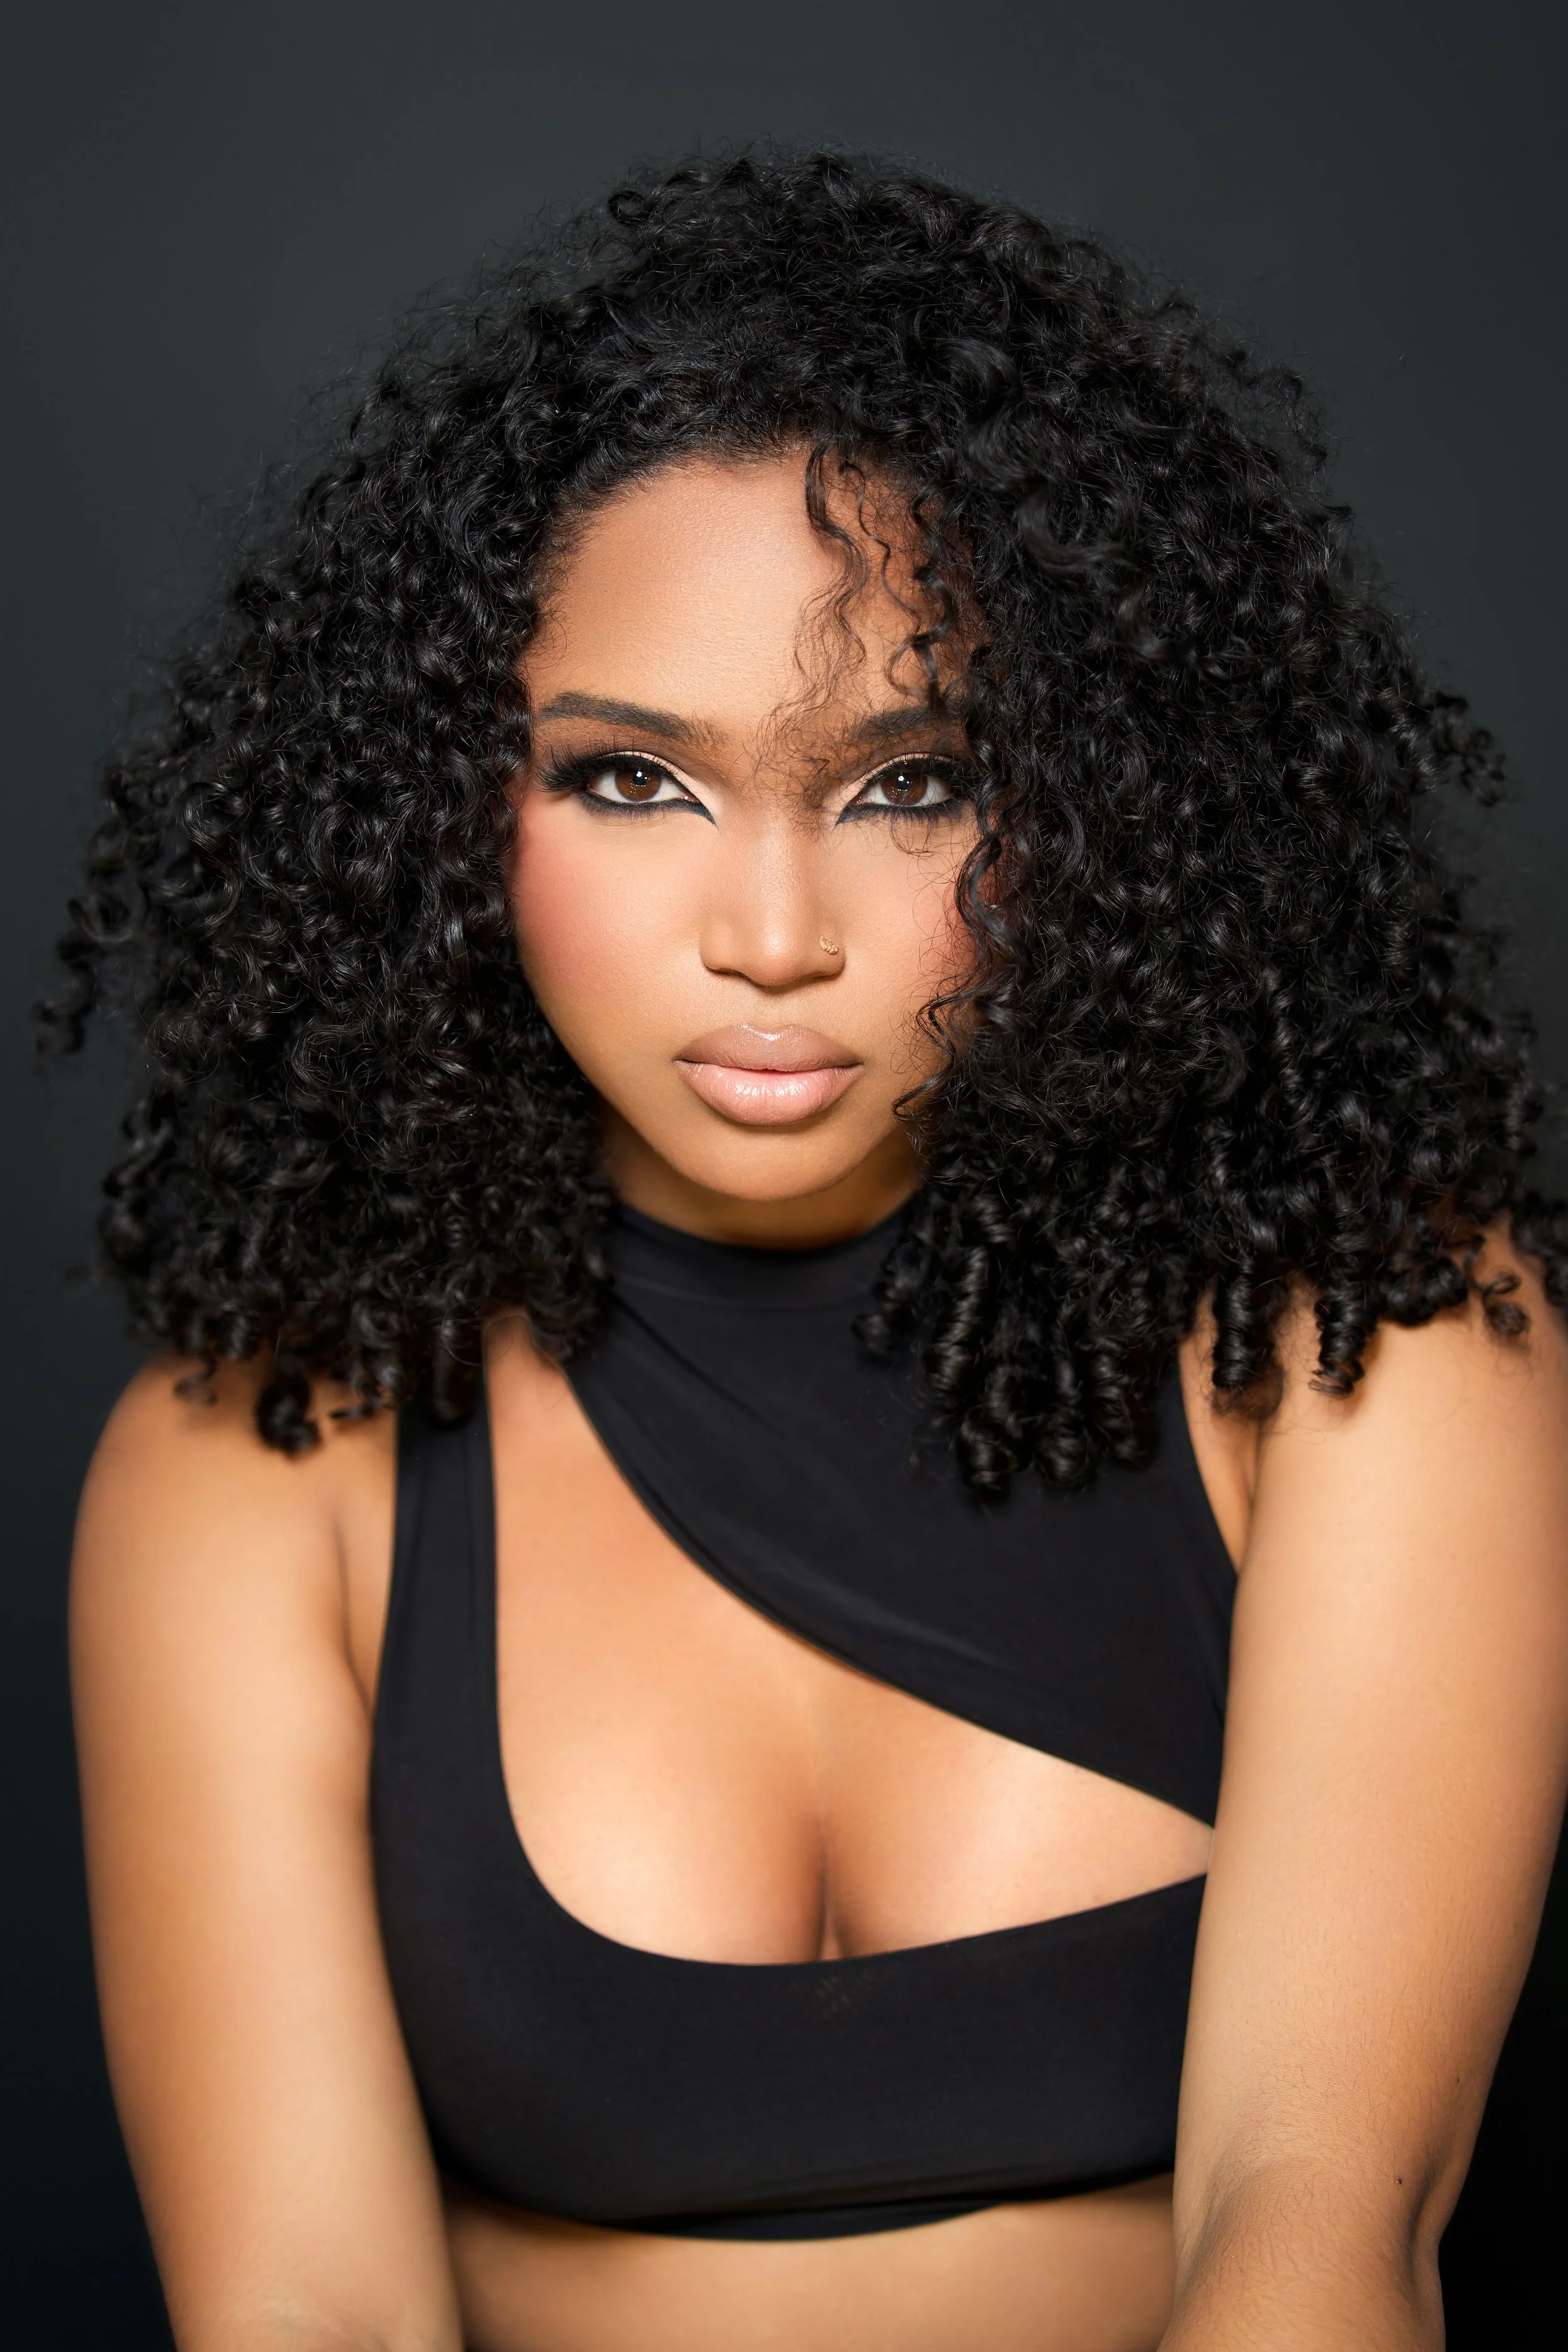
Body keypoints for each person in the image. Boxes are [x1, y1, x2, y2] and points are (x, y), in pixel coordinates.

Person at [53, 153, 1568, 2352]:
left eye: (913, 781)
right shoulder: (262, 1465)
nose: (770, 939)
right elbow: (308, 2313)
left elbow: (1320, 2239)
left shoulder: (1361, 1342)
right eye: (629, 784)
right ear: (431, 802)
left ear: (1100, 804)